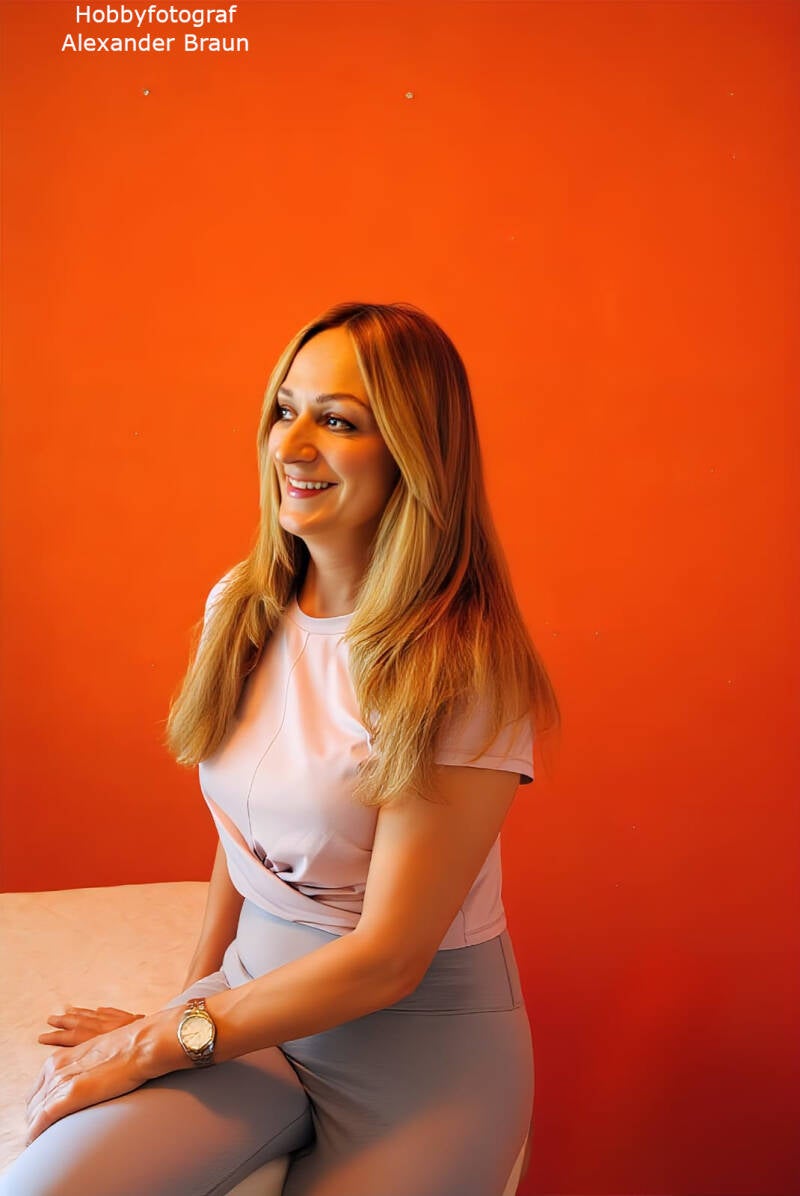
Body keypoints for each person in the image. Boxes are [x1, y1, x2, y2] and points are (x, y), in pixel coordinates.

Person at [4, 301, 560, 1196]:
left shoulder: (462, 666)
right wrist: (187, 1006)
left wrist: (152, 1044)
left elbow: (389, 959)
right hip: (247, 1010)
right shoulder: (242, 606)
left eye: (337, 422)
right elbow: (245, 838)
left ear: (415, 454)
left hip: (416, 1061)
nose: (290, 446)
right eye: (284, 410)